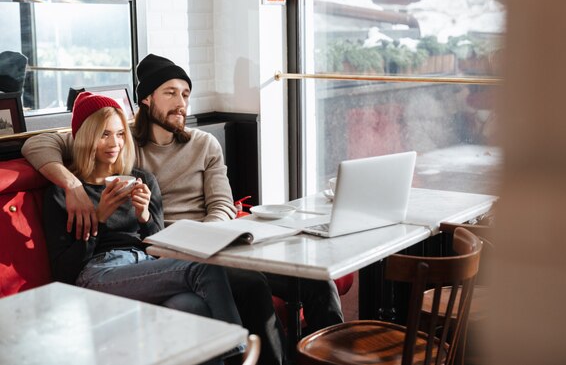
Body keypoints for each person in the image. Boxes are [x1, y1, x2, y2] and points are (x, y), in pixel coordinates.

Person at [23, 54, 344, 365]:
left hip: (209, 245)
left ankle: (327, 360)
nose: (181, 102)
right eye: (171, 92)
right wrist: (73, 185)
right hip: (164, 257)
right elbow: (47, 142)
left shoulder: (197, 146)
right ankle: (244, 352)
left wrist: (200, 235)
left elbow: (218, 205)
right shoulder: (123, 145)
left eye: (186, 94)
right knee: (248, 286)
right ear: (147, 99)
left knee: (317, 278)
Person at [42, 92, 242, 365]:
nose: (115, 143)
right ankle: (240, 354)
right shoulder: (64, 193)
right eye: (104, 134)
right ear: (85, 136)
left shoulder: (142, 180)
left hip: (144, 266)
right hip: (97, 275)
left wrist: (145, 215)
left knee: (190, 307)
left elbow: (159, 246)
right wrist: (98, 219)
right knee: (203, 266)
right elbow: (65, 272)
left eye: (120, 134)